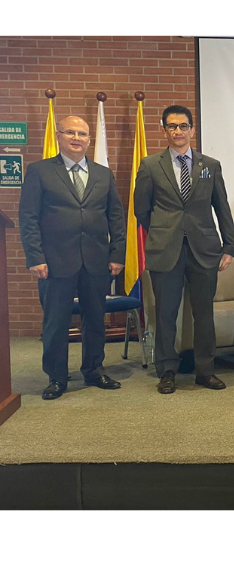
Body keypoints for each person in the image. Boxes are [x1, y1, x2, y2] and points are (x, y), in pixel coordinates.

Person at [19, 115, 126, 400]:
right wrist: (35, 257)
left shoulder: (104, 174)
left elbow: (116, 217)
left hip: (96, 261)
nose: (77, 138)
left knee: (95, 318)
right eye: (71, 132)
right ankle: (56, 377)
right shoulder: (39, 171)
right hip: (54, 263)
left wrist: (117, 253)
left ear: (90, 140)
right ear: (59, 136)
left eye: (83, 134)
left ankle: (93, 369)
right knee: (56, 321)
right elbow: (28, 217)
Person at [134, 105, 234, 394]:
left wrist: (229, 245)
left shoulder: (210, 165)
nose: (178, 131)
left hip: (204, 249)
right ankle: (167, 371)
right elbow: (142, 210)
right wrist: (165, 230)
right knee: (165, 314)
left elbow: (221, 206)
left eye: (183, 126)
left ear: (192, 129)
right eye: (172, 126)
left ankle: (206, 371)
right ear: (163, 129)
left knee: (204, 313)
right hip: (165, 250)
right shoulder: (150, 165)